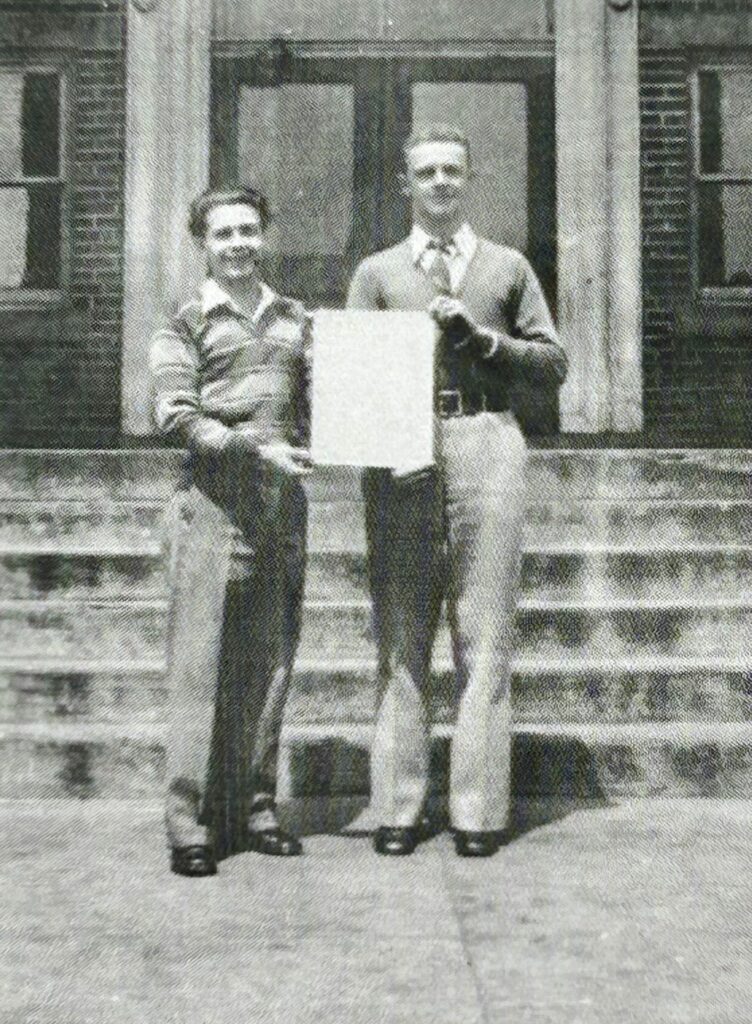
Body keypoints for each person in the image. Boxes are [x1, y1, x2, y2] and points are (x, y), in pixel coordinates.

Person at [347, 123, 567, 857]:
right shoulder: (378, 273)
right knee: (402, 633)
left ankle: (477, 811)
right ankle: (398, 809)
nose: (439, 182)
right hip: (404, 453)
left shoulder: (505, 268)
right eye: (426, 172)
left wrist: (483, 341)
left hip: (486, 441)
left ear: (468, 181)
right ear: (405, 185)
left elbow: (553, 363)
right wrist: (386, 440)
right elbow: (352, 377)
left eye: (452, 171)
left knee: (484, 634)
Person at [150, 186, 311, 876]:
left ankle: (255, 808)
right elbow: (174, 415)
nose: (240, 244)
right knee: (199, 668)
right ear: (203, 244)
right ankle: (188, 824)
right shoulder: (182, 323)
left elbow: (323, 399)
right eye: (225, 235)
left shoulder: (297, 319)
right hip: (211, 505)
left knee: (271, 663)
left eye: (249, 230)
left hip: (280, 506)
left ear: (265, 236)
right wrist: (252, 446)